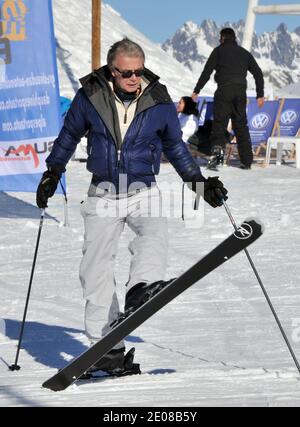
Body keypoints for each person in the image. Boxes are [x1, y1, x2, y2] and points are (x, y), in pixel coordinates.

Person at [36, 38, 228, 375]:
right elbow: (68, 136)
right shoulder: (91, 96)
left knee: (153, 233)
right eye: (127, 73)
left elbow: (175, 145)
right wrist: (53, 172)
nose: (134, 78)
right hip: (103, 191)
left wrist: (200, 183)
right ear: (112, 71)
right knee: (95, 271)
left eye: (138, 71)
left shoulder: (157, 99)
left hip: (143, 188)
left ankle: (143, 287)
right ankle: (104, 346)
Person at [192, 28, 265, 170]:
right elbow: (258, 73)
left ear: (222, 38)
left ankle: (216, 159)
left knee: (219, 125)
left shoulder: (218, 51)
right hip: (240, 92)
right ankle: (247, 161)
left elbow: (206, 72)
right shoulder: (244, 53)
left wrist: (197, 90)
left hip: (224, 90)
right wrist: (260, 94)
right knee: (241, 125)